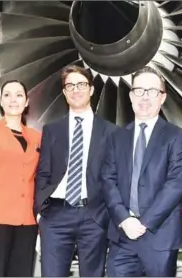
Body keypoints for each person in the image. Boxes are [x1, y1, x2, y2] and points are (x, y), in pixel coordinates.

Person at [101, 66, 182, 277]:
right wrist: (125, 219)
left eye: (152, 91)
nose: (145, 97)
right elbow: (107, 180)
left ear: (162, 97)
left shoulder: (176, 136)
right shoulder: (116, 137)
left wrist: (143, 222)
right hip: (122, 236)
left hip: (160, 235)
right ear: (131, 96)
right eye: (139, 90)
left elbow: (176, 184)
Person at [35, 65, 117, 276]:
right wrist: (40, 210)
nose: (75, 89)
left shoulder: (110, 132)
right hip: (55, 215)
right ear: (64, 92)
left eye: (81, 84)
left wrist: (107, 214)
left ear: (91, 89)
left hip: (94, 215)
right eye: (70, 85)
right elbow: (43, 172)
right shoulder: (52, 130)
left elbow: (114, 177)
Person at [0, 80, 41, 276]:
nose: (13, 100)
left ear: (27, 102)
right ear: (1, 101)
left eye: (19, 95)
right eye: (7, 95)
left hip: (27, 223)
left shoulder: (36, 136)